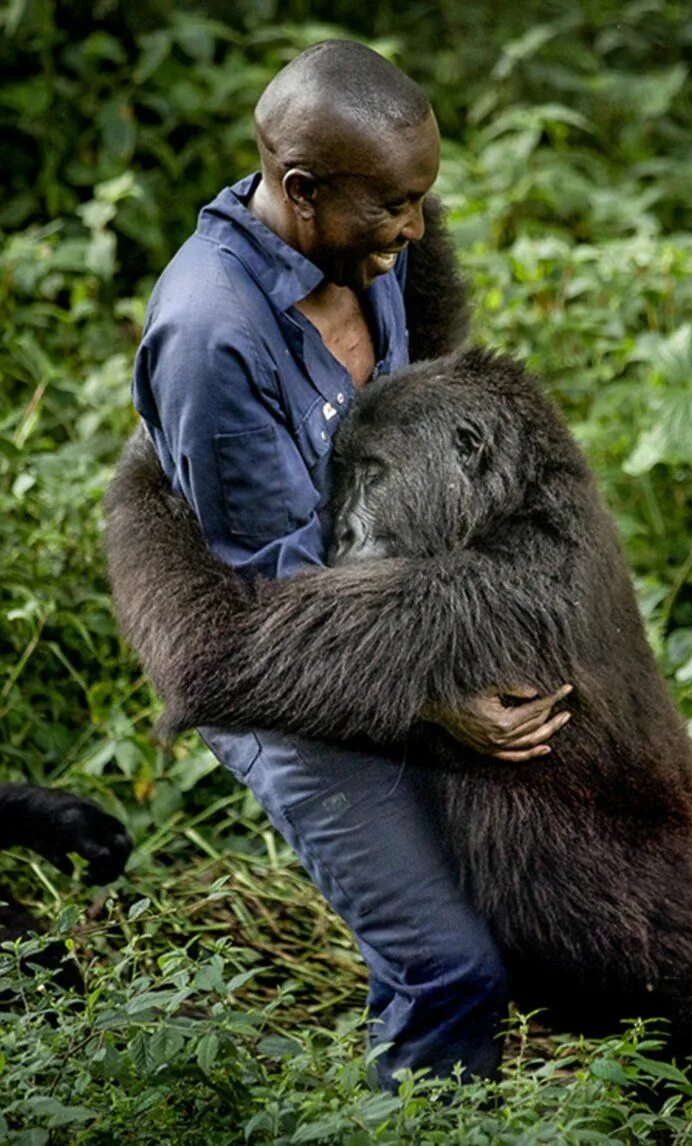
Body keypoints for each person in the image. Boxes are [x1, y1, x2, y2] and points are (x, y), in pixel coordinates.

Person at [129, 40, 568, 1087]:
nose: (415, 232)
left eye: (423, 204)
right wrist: (440, 702)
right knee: (448, 965)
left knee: (520, 910)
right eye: (392, 210)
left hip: (392, 604)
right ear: (300, 191)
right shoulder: (212, 336)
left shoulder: (368, 240)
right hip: (282, 666)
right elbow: (276, 598)